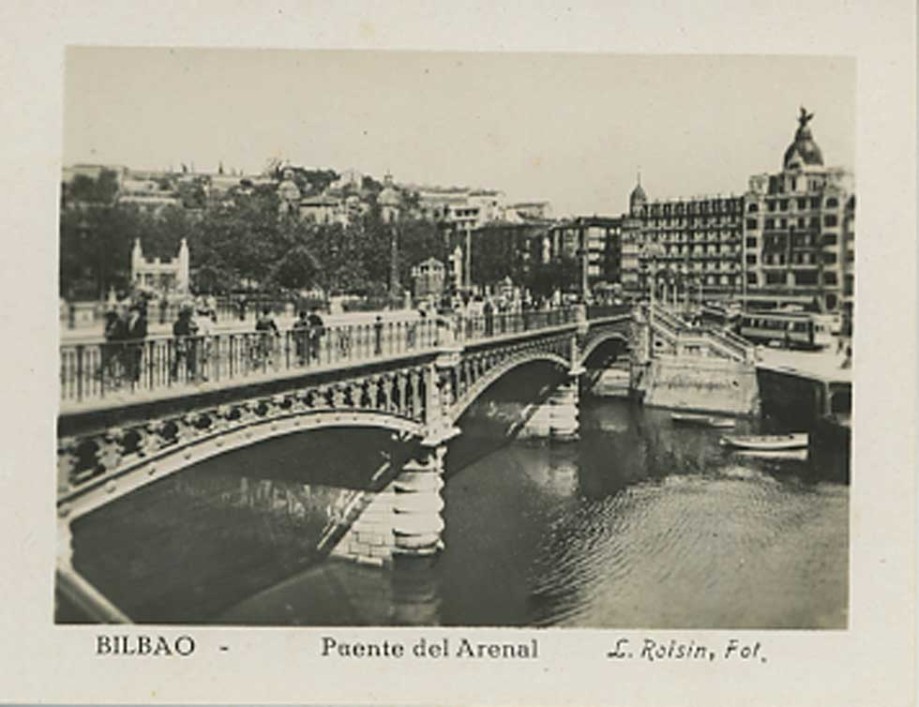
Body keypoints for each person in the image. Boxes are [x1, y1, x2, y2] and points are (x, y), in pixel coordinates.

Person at [171, 304, 198, 382]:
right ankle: (192, 373)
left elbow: (175, 332)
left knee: (177, 358)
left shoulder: (177, 323)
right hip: (186, 343)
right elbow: (190, 331)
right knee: (190, 358)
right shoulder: (188, 323)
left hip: (178, 342)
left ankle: (174, 374)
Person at [123, 302, 148, 385]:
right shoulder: (129, 320)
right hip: (129, 343)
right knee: (129, 359)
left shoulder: (142, 320)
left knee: (136, 360)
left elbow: (143, 332)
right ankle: (129, 375)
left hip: (137, 343)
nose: (130, 313)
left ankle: (135, 376)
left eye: (132, 311)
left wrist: (138, 340)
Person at [194, 304, 214, 381]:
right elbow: (211, 333)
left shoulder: (196, 320)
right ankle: (204, 374)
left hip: (196, 340)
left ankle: (196, 374)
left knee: (197, 358)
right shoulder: (208, 321)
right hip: (205, 340)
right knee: (205, 359)